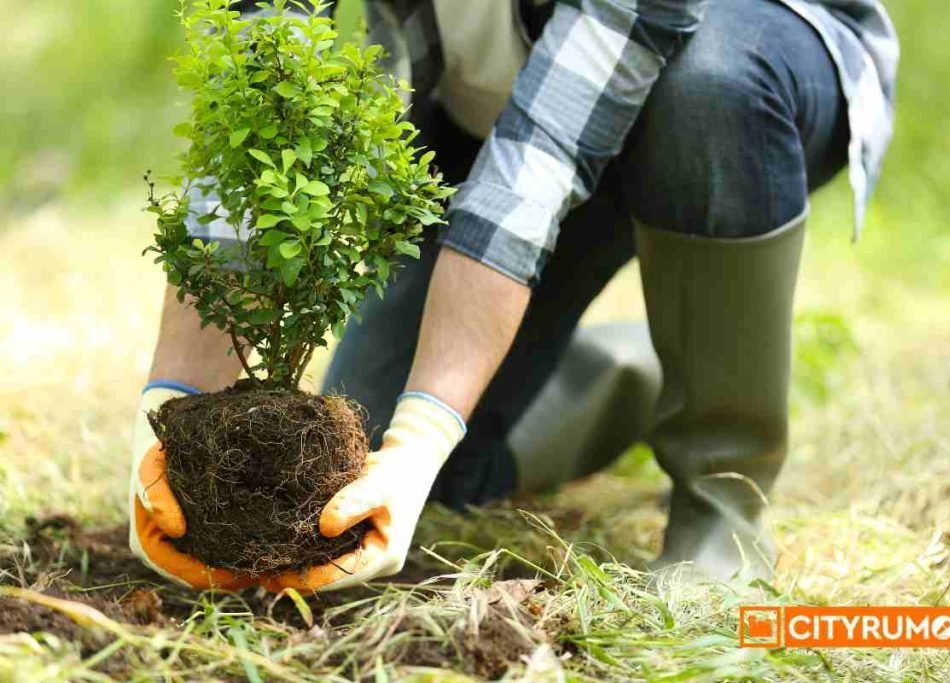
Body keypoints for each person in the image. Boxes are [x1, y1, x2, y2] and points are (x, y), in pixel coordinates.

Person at [129, 0, 899, 591]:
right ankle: (652, 365)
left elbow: (542, 156)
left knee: (707, 89)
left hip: (735, 69)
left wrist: (426, 428)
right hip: (495, 111)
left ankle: (721, 499)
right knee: (386, 466)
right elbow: (260, 98)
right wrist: (168, 410)